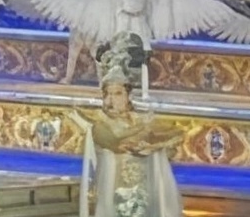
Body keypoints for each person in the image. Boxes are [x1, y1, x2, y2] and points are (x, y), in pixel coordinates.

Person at [75, 37, 179, 217]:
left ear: (128, 96)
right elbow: (114, 141)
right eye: (107, 94)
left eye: (117, 94)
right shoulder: (100, 124)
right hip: (111, 193)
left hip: (143, 192)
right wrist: (143, 131)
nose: (110, 100)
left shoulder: (139, 119)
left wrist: (156, 145)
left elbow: (175, 134)